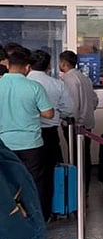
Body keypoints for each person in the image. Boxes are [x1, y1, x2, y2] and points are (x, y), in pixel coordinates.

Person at [0, 47, 54, 220]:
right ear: (28, 67)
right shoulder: (34, 87)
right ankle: (37, 217)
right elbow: (48, 113)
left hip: (5, 142)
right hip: (31, 143)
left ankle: (11, 220)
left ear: (8, 65)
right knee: (34, 181)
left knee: (6, 182)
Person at [27, 50, 74, 171]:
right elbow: (68, 109)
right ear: (49, 65)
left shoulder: (24, 82)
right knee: (52, 170)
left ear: (29, 65)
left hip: (27, 133)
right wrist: (59, 116)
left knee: (30, 170)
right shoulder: (58, 84)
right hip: (50, 132)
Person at [59, 50, 99, 191]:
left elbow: (72, 105)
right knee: (85, 156)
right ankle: (84, 188)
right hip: (87, 123)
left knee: (76, 157)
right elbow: (94, 100)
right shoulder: (84, 77)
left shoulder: (68, 79)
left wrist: (70, 120)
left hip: (74, 125)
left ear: (63, 63)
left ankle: (76, 189)